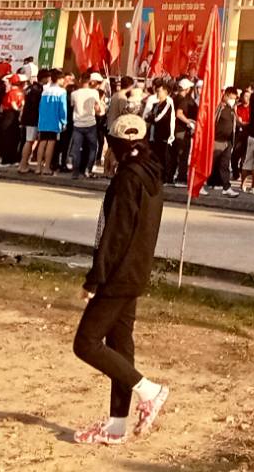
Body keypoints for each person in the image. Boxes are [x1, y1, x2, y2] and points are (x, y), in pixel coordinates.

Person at [70, 114, 171, 446]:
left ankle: (149, 391)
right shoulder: (151, 173)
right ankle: (116, 426)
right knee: (120, 346)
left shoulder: (129, 178)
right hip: (136, 271)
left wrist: (94, 279)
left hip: (119, 274)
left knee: (86, 343)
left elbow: (116, 233)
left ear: (116, 144)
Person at [68, 75, 107, 179]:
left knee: (76, 148)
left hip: (78, 123)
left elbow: (72, 105)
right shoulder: (94, 93)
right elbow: (97, 107)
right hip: (91, 123)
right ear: (89, 80)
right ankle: (87, 170)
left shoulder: (74, 93)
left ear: (80, 80)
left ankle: (75, 172)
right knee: (92, 148)